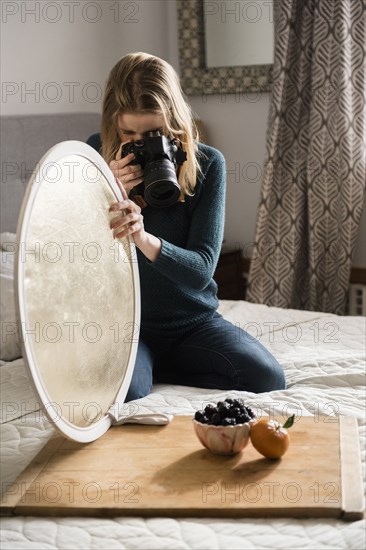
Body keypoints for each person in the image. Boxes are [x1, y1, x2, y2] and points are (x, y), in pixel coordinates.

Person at [87, 52, 286, 401]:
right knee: (128, 393)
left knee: (267, 377)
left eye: (154, 133)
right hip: (129, 326)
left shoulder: (208, 163)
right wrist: (103, 190)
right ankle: (146, 364)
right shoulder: (94, 154)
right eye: (127, 132)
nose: (139, 144)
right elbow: (78, 255)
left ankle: (158, 365)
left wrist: (143, 237)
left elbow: (200, 270)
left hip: (193, 323)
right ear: (112, 124)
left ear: (174, 123)